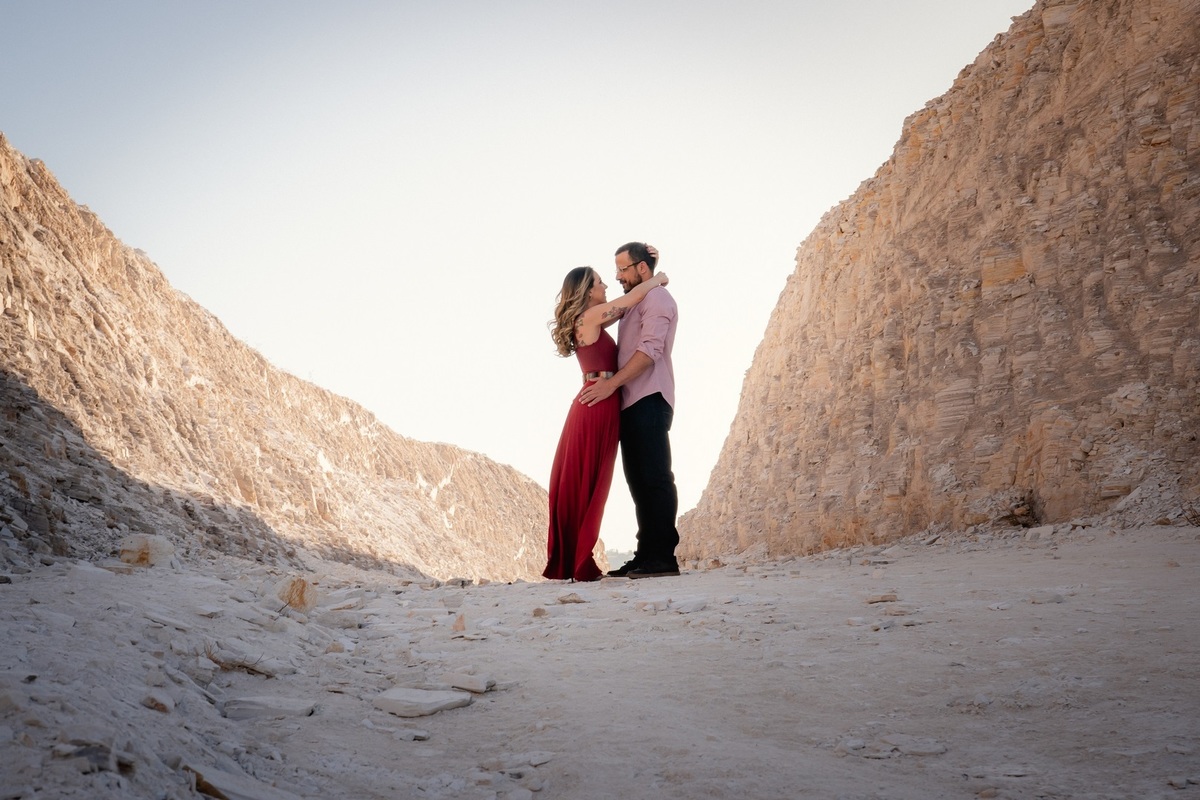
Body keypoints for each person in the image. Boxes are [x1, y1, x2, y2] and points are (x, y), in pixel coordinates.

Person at [543, 263, 670, 582]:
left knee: (592, 478)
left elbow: (632, 302)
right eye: (600, 283)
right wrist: (658, 278)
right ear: (587, 291)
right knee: (590, 479)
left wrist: (649, 262)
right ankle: (576, 560)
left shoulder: (595, 317)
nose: (606, 287)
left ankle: (575, 557)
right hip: (597, 401)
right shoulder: (588, 318)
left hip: (601, 398)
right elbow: (632, 299)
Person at [579, 242, 680, 579]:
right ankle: (645, 555)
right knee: (638, 481)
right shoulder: (636, 300)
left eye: (623, 269)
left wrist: (611, 384)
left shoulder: (658, 299)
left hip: (649, 396)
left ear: (640, 268)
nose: (618, 276)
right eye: (616, 270)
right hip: (630, 401)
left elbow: (649, 351)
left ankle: (663, 557)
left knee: (655, 477)